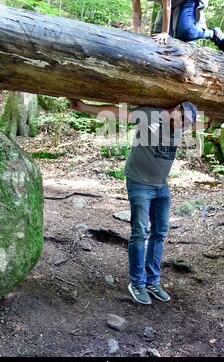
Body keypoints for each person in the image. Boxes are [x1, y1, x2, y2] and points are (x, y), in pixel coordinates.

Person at [69, 99, 198, 305]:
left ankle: (152, 281)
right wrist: (85, 107)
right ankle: (137, 283)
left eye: (187, 123)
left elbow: (205, 123)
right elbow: (119, 113)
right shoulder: (151, 116)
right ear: (175, 108)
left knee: (160, 233)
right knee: (140, 232)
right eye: (182, 118)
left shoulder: (181, 126)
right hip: (139, 183)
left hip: (161, 186)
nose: (183, 124)